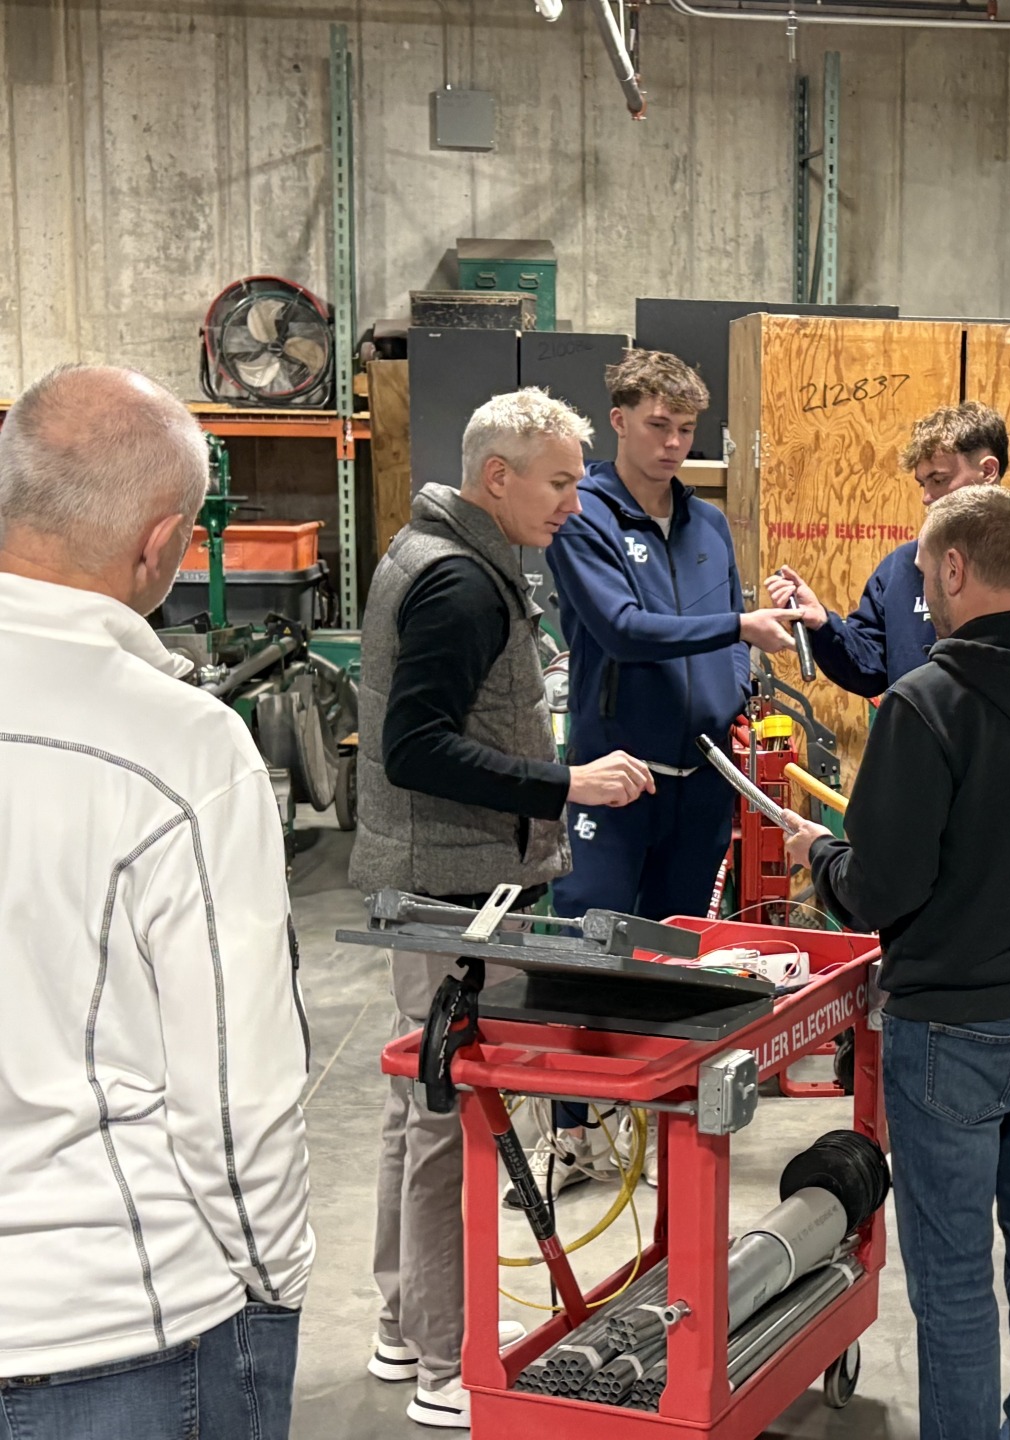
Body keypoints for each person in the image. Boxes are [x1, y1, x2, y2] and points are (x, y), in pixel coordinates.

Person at [0, 365, 314, 1438]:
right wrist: (275, 1280)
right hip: (117, 1326)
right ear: (162, 544)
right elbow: (234, 1096)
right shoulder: (182, 747)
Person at [783, 486, 1010, 1440]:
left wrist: (822, 855)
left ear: (953, 567)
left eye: (921, 573)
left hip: (953, 1028)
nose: (918, 593)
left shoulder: (925, 703)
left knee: (953, 1277)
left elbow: (881, 886)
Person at [352, 388, 654, 1428]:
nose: (576, 502)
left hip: (439, 883)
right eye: (561, 482)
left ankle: (403, 1323)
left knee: (417, 1106)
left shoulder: (438, 553)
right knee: (448, 1120)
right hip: (454, 894)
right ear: (498, 478)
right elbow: (415, 748)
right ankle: (446, 1366)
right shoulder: (459, 585)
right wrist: (567, 782)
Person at [547, 349, 797, 925]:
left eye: (685, 429)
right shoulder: (583, 516)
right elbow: (623, 630)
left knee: (680, 948)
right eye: (658, 426)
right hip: (617, 780)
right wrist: (742, 625)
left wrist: (730, 693)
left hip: (704, 785)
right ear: (619, 420)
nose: (673, 444)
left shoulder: (708, 524)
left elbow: (732, 638)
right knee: (594, 942)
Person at [765, 401, 1010, 692]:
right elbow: (869, 669)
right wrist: (823, 625)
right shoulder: (901, 568)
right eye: (922, 483)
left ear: (988, 470)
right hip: (924, 745)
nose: (927, 497)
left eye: (939, 480)